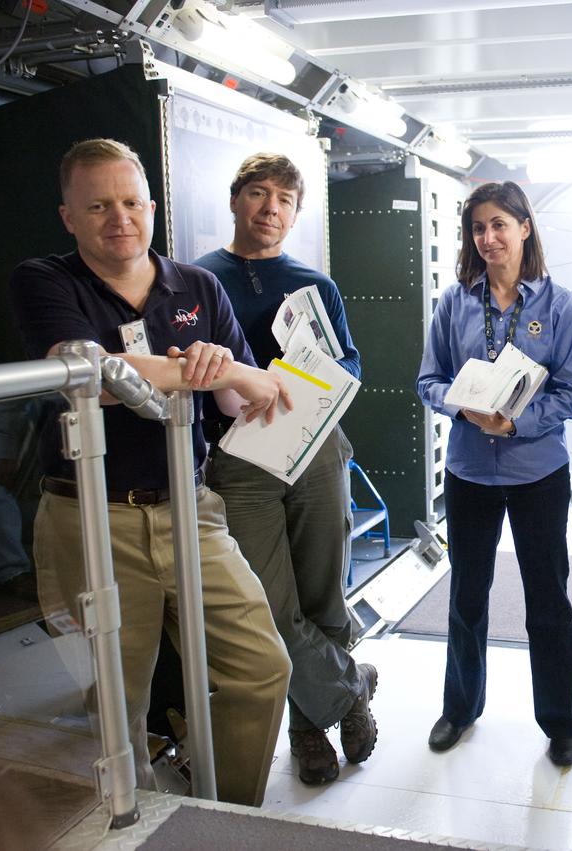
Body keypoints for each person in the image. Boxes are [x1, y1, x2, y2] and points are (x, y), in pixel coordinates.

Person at [8, 138, 292, 807]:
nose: (119, 218)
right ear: (68, 216)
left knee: (261, 667)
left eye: (132, 202)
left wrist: (222, 368)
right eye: (98, 205)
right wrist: (220, 370)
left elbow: (241, 398)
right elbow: (97, 377)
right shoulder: (44, 280)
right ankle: (136, 822)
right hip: (92, 518)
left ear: (153, 207)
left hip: (191, 509)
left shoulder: (197, 286)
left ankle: (225, 812)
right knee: (118, 702)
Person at [193, 152, 376, 788]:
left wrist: (320, 373)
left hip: (317, 446)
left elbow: (351, 365)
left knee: (323, 589)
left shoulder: (314, 285)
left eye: (285, 200)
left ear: (296, 214)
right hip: (240, 461)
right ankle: (350, 689)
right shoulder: (197, 279)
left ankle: (308, 735)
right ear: (237, 199)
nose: (271, 209)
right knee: (270, 604)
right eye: (259, 194)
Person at [415, 181, 572, 767]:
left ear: (524, 228)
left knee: (548, 597)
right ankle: (460, 708)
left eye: (499, 225)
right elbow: (427, 380)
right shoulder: (455, 303)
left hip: (537, 470)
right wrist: (458, 406)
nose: (489, 238)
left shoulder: (559, 306)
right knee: (466, 594)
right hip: (468, 472)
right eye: (478, 228)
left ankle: (561, 720)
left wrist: (517, 424)